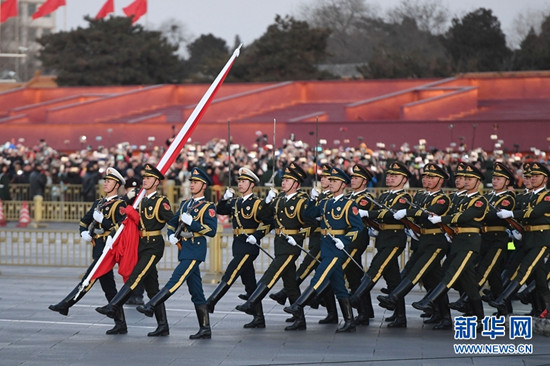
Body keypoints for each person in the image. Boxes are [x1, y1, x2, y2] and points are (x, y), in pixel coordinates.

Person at [137, 167, 217, 339]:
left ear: (204, 186)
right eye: (192, 182)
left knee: (176, 279)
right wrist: (172, 234)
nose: (192, 185)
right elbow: (172, 222)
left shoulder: (207, 207)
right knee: (196, 291)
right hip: (184, 249)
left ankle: (152, 305)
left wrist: (193, 224)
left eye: (196, 183)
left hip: (195, 250)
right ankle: (205, 328)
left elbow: (211, 230)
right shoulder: (185, 204)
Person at [96, 164, 173, 337]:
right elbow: (133, 219)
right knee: (152, 288)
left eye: (148, 178)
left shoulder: (161, 202)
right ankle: (163, 325)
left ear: (156, 182)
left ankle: (113, 305)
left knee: (135, 276)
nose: (144, 180)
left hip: (153, 245)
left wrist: (175, 234)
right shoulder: (141, 200)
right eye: (144, 177)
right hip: (142, 244)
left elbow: (172, 220)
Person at [49, 167, 128, 334]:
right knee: (109, 287)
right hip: (97, 246)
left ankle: (67, 303)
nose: (105, 183)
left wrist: (104, 221)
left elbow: (121, 228)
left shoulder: (120, 204)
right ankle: (120, 323)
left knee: (89, 278)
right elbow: (84, 221)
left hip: (108, 249)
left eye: (109, 181)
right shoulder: (98, 203)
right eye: (105, 180)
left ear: (116, 185)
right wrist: (84, 232)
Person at [284, 167, 363, 333]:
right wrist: (313, 199)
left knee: (319, 276)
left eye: (334, 181)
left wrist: (345, 240)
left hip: (337, 248)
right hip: (326, 245)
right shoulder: (326, 202)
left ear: (343, 184)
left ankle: (298, 305)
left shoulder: (349, 204)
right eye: (330, 181)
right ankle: (350, 321)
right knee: (339, 285)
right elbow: (309, 214)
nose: (331, 183)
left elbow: (358, 227)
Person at [235, 161, 310, 331]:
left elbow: (311, 223)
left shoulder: (302, 200)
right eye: (283, 180)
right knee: (290, 283)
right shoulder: (279, 199)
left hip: (291, 246)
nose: (283, 182)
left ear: (296, 184)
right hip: (280, 245)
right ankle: (299, 319)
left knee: (271, 274)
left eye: (287, 180)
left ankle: (251, 303)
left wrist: (298, 237)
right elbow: (263, 215)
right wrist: (268, 202)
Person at [412, 163, 489, 328]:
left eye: (470, 179)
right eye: (464, 178)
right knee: (467, 282)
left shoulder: (480, 201)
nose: (466, 182)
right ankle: (478, 317)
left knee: (451, 273)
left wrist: (441, 219)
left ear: (478, 182)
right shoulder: (457, 199)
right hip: (456, 241)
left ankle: (429, 301)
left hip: (469, 243)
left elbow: (464, 216)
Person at [377, 163, 452, 329]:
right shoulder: (420, 196)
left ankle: (394, 297)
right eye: (425, 176)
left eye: (431, 177)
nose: (426, 180)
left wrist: (407, 213)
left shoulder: (443, 198)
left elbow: (429, 212)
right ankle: (443, 315)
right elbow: (417, 216)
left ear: (440, 180)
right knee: (432, 280)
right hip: (422, 241)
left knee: (415, 271)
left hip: (436, 242)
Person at [269, 163, 337, 324]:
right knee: (327, 279)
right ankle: (329, 312)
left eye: (328, 178)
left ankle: (296, 298)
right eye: (323, 177)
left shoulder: (330, 198)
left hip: (325, 242)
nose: (324, 180)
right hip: (315, 240)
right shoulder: (319, 196)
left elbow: (311, 221)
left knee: (308, 269)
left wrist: (301, 233)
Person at [206, 167, 271, 329]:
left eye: (243, 182)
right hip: (238, 243)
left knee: (231, 272)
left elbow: (270, 221)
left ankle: (211, 301)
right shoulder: (235, 202)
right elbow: (219, 210)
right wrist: (223, 199)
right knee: (249, 283)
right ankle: (258, 317)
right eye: (239, 181)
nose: (240, 184)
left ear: (252, 184)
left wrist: (256, 236)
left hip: (249, 245)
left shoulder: (257, 204)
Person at [350, 161, 412, 328]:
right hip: (383, 238)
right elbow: (379, 215)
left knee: (375, 267)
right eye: (389, 176)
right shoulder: (384, 196)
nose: (390, 178)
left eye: (395, 176)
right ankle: (400, 316)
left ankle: (356, 297)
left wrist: (368, 213)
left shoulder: (404, 197)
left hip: (394, 239)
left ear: (404, 179)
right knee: (393, 279)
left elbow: (389, 214)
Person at [449, 162, 516, 315]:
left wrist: (476, 214)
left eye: (499, 179)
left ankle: (466, 300)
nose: (495, 181)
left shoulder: (508, 198)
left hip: (498, 240)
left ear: (507, 182)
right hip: (484, 239)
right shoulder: (488, 197)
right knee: (493, 277)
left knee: (483, 271)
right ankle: (504, 310)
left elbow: (492, 216)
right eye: (494, 178)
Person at [489, 162, 550, 317]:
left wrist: (512, 214)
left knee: (525, 270)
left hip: (542, 239)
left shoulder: (547, 197)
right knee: (539, 279)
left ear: (545, 178)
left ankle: (503, 298)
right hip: (526, 238)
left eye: (536, 176)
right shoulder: (527, 196)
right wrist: (514, 227)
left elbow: (534, 213)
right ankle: (546, 309)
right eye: (530, 176)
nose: (532, 179)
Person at [343, 163, 376, 326]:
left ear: (364, 182)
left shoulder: (365, 199)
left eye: (356, 178)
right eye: (353, 177)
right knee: (354, 275)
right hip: (348, 238)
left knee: (346, 269)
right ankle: (365, 311)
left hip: (357, 239)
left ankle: (363, 310)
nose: (352, 180)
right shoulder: (349, 197)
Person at [122, 177, 146, 306]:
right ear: (126, 190)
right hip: (126, 239)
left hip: (140, 238)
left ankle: (138, 295)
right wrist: (126, 198)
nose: (134, 193)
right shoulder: (123, 201)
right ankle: (128, 294)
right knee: (127, 267)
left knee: (139, 267)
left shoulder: (143, 202)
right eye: (130, 189)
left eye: (135, 190)